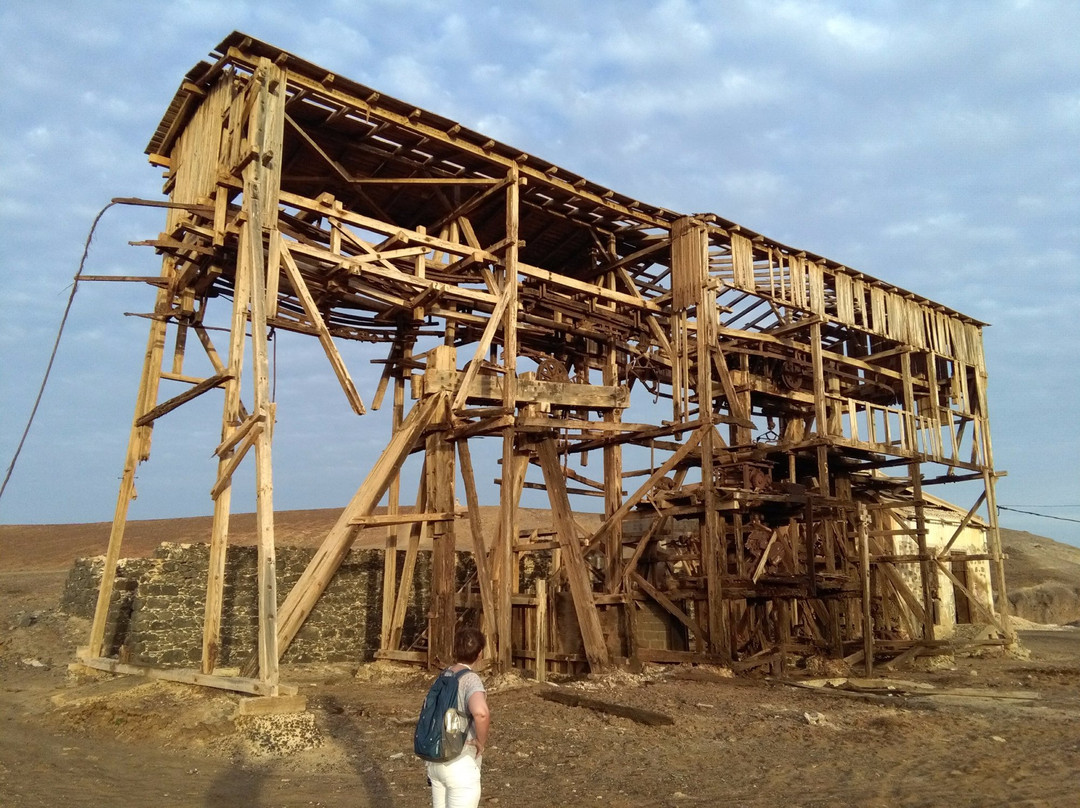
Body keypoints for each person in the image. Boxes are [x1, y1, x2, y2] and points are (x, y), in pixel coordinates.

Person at [426, 627, 490, 808]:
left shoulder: (443, 676)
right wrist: (480, 741)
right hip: (460, 762)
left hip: (436, 760)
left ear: (454, 651)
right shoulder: (470, 679)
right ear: (479, 653)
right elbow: (481, 712)